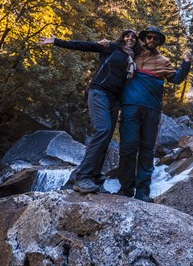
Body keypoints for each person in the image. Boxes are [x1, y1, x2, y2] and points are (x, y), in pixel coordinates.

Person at [37, 29, 140, 193]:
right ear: (121, 39)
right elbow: (86, 46)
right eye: (127, 35)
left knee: (106, 139)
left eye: (133, 37)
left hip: (115, 100)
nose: (130, 38)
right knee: (103, 130)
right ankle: (82, 177)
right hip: (99, 92)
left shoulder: (133, 59)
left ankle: (96, 178)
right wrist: (57, 41)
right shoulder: (111, 48)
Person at [102, 26, 191, 202]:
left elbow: (177, 78)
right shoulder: (131, 55)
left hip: (152, 110)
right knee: (127, 149)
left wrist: (186, 63)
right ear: (144, 39)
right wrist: (104, 44)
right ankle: (125, 189)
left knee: (146, 150)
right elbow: (116, 50)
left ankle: (142, 191)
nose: (151, 41)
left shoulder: (164, 61)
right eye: (149, 37)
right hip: (129, 108)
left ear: (159, 42)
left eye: (155, 39)